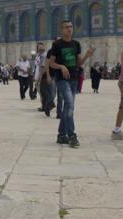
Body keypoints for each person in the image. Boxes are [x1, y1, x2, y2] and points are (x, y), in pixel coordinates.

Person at [48, 20, 94, 148]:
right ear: (62, 29)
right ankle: (72, 135)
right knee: (69, 103)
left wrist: (87, 56)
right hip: (62, 79)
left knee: (69, 107)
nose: (69, 29)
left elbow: (79, 64)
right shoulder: (57, 44)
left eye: (71, 27)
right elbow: (51, 63)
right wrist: (61, 66)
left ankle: (61, 135)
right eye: (66, 27)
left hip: (74, 79)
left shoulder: (76, 44)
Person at [34, 43, 53, 115]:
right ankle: (44, 105)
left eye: (41, 47)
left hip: (41, 77)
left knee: (43, 92)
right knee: (41, 92)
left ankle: (47, 105)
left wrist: (39, 78)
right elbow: (37, 67)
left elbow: (43, 68)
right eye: (39, 48)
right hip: (37, 75)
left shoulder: (44, 56)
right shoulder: (39, 56)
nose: (40, 49)